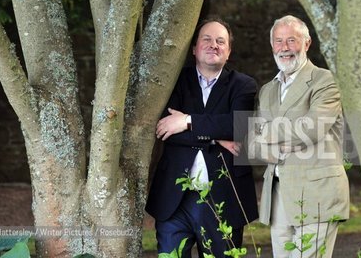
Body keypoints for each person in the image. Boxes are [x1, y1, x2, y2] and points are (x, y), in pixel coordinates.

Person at [146, 18, 258, 257]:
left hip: (223, 199)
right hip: (174, 200)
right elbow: (165, 131)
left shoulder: (244, 86)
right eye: (206, 39)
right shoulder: (174, 82)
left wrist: (187, 121)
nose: (213, 45)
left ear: (228, 52)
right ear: (195, 48)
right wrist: (216, 138)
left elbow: (237, 127)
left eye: (221, 41)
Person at [248, 15, 349, 258]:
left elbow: (312, 127)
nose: (284, 47)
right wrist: (272, 142)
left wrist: (266, 133)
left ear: (307, 43)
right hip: (279, 196)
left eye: (291, 40)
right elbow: (252, 142)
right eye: (278, 41)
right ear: (272, 45)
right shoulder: (267, 90)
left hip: (317, 193)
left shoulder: (325, 81)